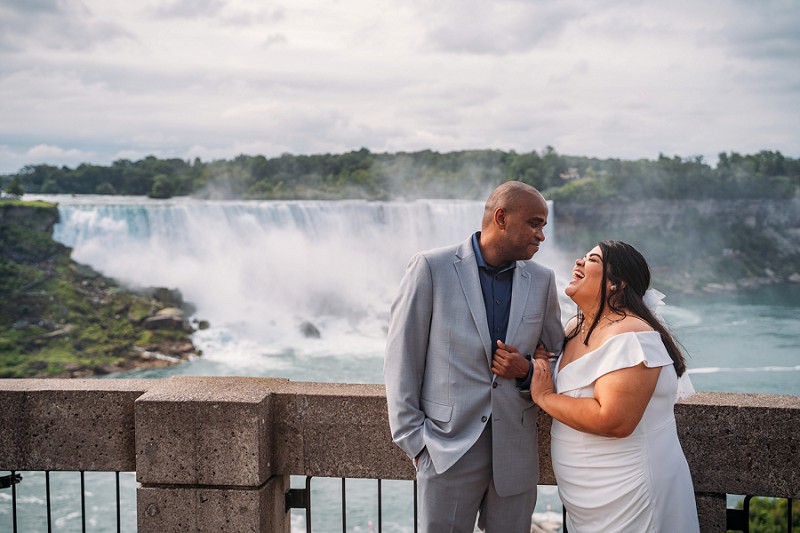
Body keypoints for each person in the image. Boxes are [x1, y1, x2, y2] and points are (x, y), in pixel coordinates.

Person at [384, 181, 564, 533]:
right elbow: (401, 357)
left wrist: (527, 370)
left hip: (516, 454)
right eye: (534, 223)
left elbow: (559, 359)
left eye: (544, 226)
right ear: (501, 217)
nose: (542, 235)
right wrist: (417, 444)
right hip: (446, 450)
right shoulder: (431, 268)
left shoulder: (542, 281)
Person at [527, 240, 700, 532]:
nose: (578, 262)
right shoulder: (573, 328)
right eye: (581, 256)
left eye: (592, 259)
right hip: (586, 497)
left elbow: (614, 420)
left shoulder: (632, 335)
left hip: (631, 490)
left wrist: (544, 397)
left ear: (616, 283)